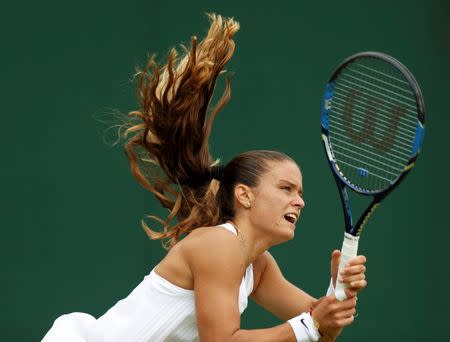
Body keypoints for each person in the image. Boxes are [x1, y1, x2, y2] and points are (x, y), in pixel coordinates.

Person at [42, 14, 367, 342]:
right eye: (286, 188)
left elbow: (323, 331)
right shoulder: (219, 245)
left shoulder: (258, 265)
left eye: (299, 192)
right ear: (244, 195)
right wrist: (310, 325)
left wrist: (338, 291)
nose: (299, 200)